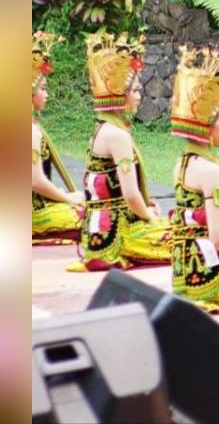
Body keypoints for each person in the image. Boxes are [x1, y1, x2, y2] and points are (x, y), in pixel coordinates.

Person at [75, 32, 171, 272]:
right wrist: (149, 216)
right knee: (182, 237)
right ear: (121, 93)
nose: (139, 96)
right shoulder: (117, 136)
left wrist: (145, 206)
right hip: (115, 233)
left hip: (98, 230)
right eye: (136, 90)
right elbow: (129, 194)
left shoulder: (102, 127)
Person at [168, 46, 219, 313]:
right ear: (207, 126)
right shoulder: (210, 171)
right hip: (208, 271)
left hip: (183, 272)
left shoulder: (182, 162)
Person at [31, 32, 84, 245]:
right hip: (34, 214)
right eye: (43, 89)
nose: (47, 95)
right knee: (90, 218)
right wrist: (69, 198)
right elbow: (35, 181)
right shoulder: (29, 131)